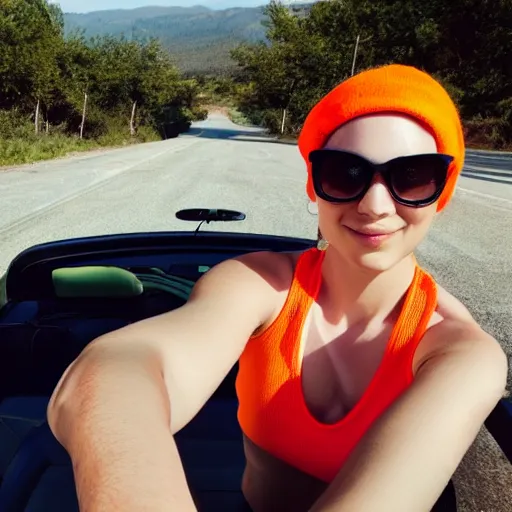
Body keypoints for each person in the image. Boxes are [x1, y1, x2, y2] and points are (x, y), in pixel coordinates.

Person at [47, 64, 507, 512]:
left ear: (441, 192)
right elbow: (111, 369)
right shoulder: (258, 286)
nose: (374, 204)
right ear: (314, 184)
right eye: (345, 173)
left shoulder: (462, 353)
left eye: (412, 175)